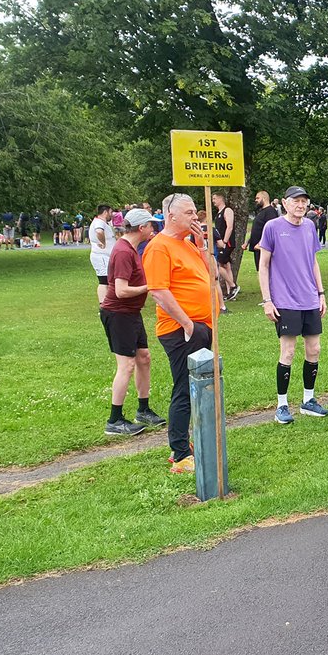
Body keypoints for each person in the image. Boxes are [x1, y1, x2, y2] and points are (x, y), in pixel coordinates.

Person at [143, 193, 216, 473]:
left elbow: (211, 278)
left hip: (201, 326)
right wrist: (187, 324)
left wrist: (201, 245)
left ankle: (190, 441)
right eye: (189, 213)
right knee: (185, 389)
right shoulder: (159, 246)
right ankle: (180, 452)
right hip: (181, 330)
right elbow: (159, 292)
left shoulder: (187, 244)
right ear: (170, 216)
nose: (195, 217)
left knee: (201, 387)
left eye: (196, 212)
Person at [259, 186, 328, 424]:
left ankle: (308, 401)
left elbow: (313, 262)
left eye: (304, 201)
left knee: (314, 349)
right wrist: (267, 300)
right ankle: (282, 405)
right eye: (296, 201)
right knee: (287, 351)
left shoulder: (310, 226)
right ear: (285, 204)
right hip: (285, 300)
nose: (301, 205)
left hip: (309, 298)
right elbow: (264, 266)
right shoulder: (273, 227)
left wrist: (321, 293)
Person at [100, 208, 167, 436]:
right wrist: (149, 287)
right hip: (119, 314)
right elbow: (120, 290)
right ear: (141, 228)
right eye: (151, 225)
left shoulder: (131, 248)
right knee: (126, 365)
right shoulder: (123, 252)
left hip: (131, 313)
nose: (153, 228)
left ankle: (143, 409)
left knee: (144, 358)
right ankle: (115, 420)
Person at [211, 191, 240, 309]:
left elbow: (230, 226)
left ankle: (233, 286)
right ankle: (231, 293)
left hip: (226, 242)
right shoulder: (218, 212)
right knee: (226, 265)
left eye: (214, 198)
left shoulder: (227, 210)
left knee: (218, 265)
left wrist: (224, 241)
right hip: (220, 242)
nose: (213, 201)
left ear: (220, 199)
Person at [88, 204, 115, 305]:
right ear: (105, 212)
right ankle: (103, 305)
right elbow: (99, 232)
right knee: (104, 281)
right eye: (110, 212)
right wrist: (103, 243)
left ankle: (109, 303)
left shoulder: (101, 222)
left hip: (105, 256)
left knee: (109, 280)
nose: (111, 215)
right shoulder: (99, 222)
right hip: (101, 256)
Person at [247, 190, 280, 271]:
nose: (256, 200)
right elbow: (258, 228)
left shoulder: (270, 212)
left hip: (264, 248)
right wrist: (247, 242)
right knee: (261, 271)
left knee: (266, 271)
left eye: (258, 198)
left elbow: (272, 231)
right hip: (257, 248)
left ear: (264, 198)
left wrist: (260, 243)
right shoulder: (261, 212)